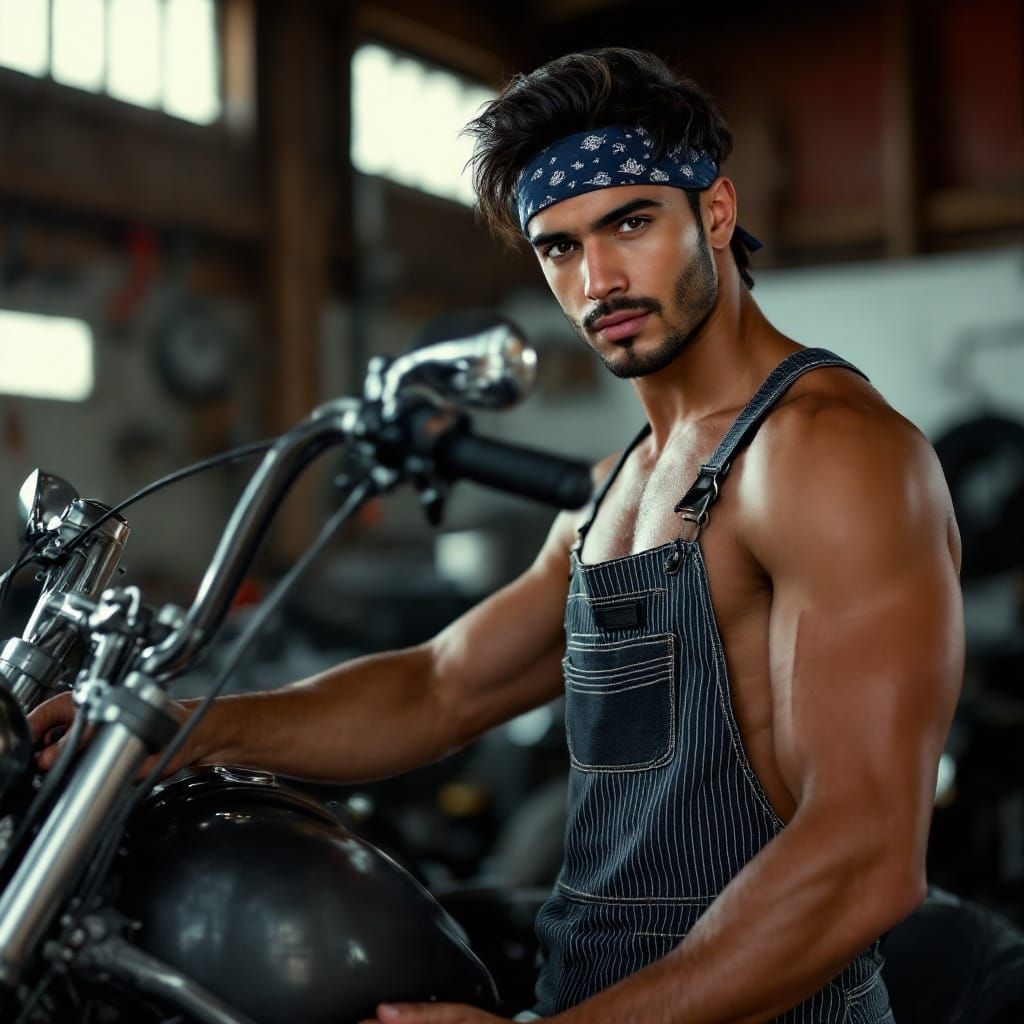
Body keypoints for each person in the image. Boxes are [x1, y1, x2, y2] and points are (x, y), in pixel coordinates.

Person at [30, 48, 963, 1024]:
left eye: (631, 223)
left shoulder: (826, 452)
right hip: (594, 998)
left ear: (716, 212)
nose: (598, 279)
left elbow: (863, 854)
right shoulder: (616, 486)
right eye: (559, 247)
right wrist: (180, 729)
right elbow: (440, 687)